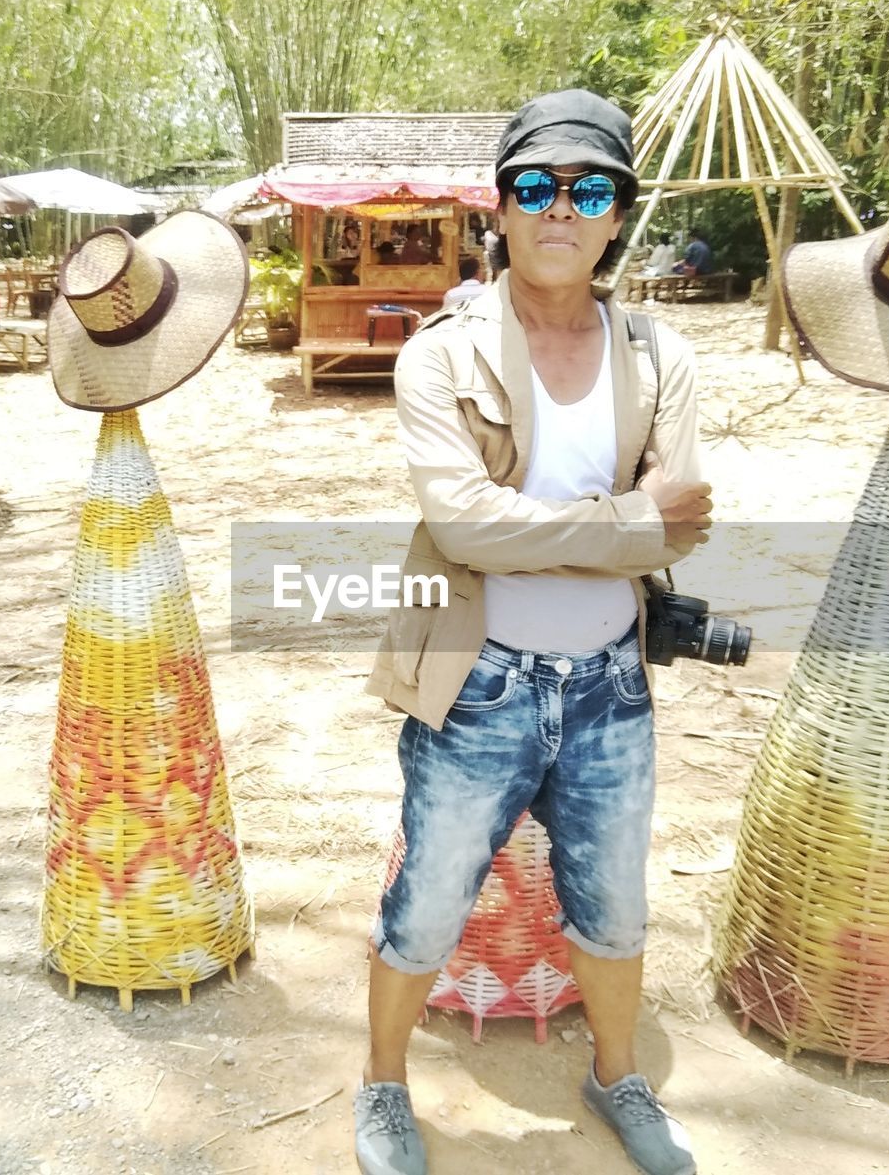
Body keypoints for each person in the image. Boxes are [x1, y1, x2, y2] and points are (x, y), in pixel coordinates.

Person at [358, 88, 709, 1175]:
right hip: (477, 684)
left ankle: (616, 1075)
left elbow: (685, 523)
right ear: (499, 209)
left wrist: (538, 535)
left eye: (588, 187)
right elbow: (462, 524)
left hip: (610, 682)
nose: (561, 207)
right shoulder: (440, 352)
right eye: (535, 186)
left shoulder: (658, 356)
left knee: (611, 902)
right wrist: (622, 524)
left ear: (617, 215)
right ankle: (380, 1088)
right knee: (429, 895)